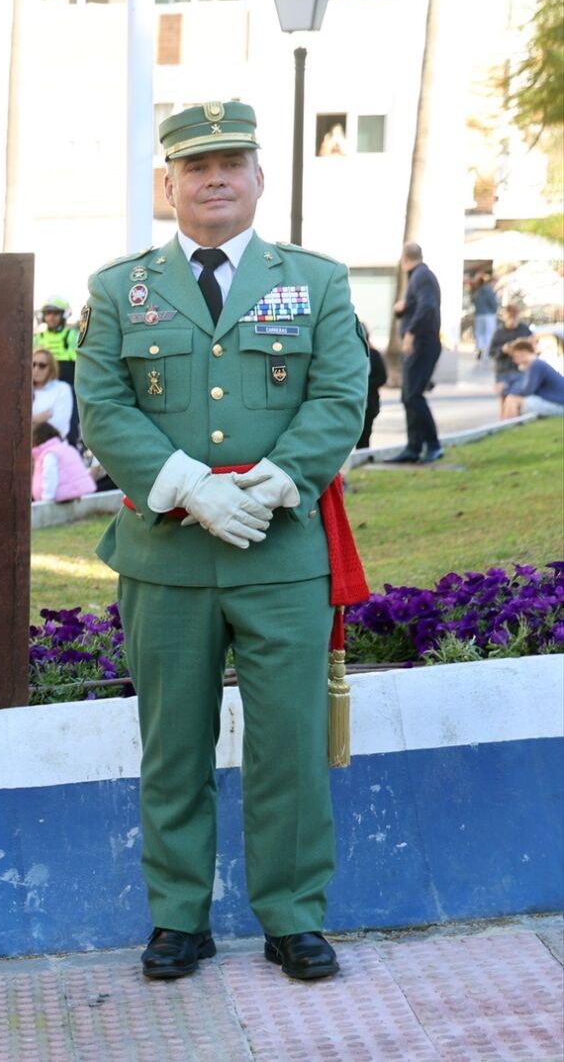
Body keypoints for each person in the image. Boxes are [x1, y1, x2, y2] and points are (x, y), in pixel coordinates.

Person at [76, 101, 365, 984]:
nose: (215, 179)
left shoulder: (315, 281)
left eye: (231, 162)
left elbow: (338, 395)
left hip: (280, 552)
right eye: (196, 167)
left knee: (289, 744)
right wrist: (191, 491)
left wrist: (275, 483)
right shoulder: (118, 288)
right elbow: (105, 407)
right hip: (168, 555)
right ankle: (178, 919)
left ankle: (292, 917)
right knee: (173, 747)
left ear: (259, 177)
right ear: (168, 183)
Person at [387, 242, 443, 464]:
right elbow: (420, 304)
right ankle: (413, 447)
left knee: (413, 396)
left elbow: (427, 306)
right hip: (419, 342)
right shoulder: (420, 277)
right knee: (408, 396)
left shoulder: (422, 276)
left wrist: (410, 333)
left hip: (422, 343)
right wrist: (403, 307)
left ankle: (433, 445)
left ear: (404, 259)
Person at [498, 337, 564, 418]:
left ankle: (507, 428)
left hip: (559, 405)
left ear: (522, 352)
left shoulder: (536, 364)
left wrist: (505, 389)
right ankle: (506, 427)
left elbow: (527, 391)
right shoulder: (536, 364)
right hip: (555, 402)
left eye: (514, 356)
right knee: (511, 398)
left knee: (512, 400)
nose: (514, 360)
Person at [31, 420, 95, 503]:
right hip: (82, 494)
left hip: (66, 498)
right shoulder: (67, 448)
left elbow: (50, 476)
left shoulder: (49, 454)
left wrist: (46, 499)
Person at [488, 302, 533, 414]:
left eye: (514, 318)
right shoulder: (499, 332)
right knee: (503, 402)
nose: (512, 321)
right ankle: (503, 424)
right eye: (509, 318)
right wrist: (503, 350)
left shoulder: (524, 330)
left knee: (516, 401)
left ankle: (516, 424)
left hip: (520, 371)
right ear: (505, 317)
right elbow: (491, 352)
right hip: (503, 371)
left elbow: (533, 348)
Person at [30, 347, 74, 440]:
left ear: (51, 368)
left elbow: (58, 426)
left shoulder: (62, 389)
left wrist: (30, 421)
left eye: (42, 365)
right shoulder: (24, 391)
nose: (36, 369)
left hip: (53, 447)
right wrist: (37, 418)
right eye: (33, 364)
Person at [35, 296, 80, 383]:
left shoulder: (72, 335)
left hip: (67, 383)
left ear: (64, 315)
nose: (51, 317)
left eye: (55, 313)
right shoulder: (38, 338)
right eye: (48, 313)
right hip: (43, 384)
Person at [358, 319, 388, 450]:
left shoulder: (374, 354)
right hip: (354, 400)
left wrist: (364, 384)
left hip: (369, 402)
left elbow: (382, 377)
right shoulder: (348, 355)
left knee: (365, 435)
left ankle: (363, 456)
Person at [470, 270, 499, 356]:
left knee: (480, 333)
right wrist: (494, 309)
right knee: (489, 333)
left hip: (479, 315)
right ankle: (486, 351)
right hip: (488, 314)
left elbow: (473, 301)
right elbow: (493, 302)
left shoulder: (477, 292)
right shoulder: (488, 290)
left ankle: (481, 348)